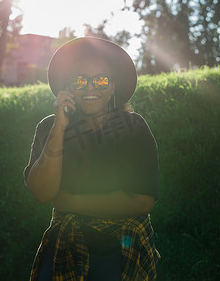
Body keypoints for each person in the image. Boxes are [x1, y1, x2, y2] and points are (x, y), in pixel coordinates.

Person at [24, 37, 160, 280]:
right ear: (68, 86)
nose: (90, 88)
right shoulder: (49, 127)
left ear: (113, 85)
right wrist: (59, 129)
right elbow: (42, 193)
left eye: (100, 79)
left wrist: (67, 201)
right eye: (80, 80)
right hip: (65, 242)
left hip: (121, 245)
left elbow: (141, 201)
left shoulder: (134, 127)